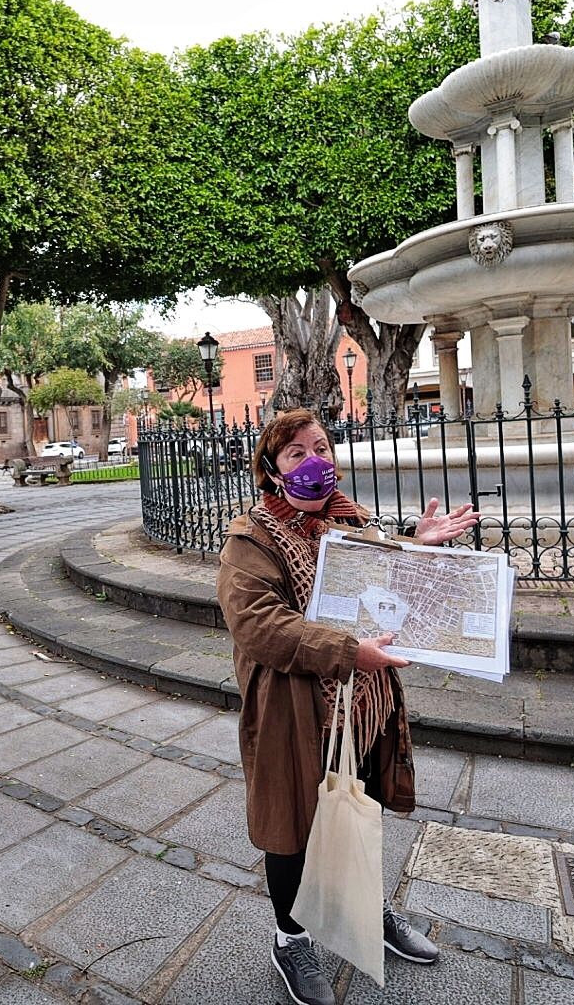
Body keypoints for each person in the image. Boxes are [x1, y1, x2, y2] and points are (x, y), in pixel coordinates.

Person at [217, 409, 478, 1005]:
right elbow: (259, 626)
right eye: (296, 453)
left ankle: (368, 910)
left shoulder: (353, 520)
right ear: (270, 469)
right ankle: (290, 939)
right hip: (295, 714)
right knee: (291, 830)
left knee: (357, 809)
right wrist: (345, 649)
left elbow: (384, 587)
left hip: (361, 706)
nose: (315, 461)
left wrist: (417, 547)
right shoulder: (249, 541)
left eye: (322, 447)